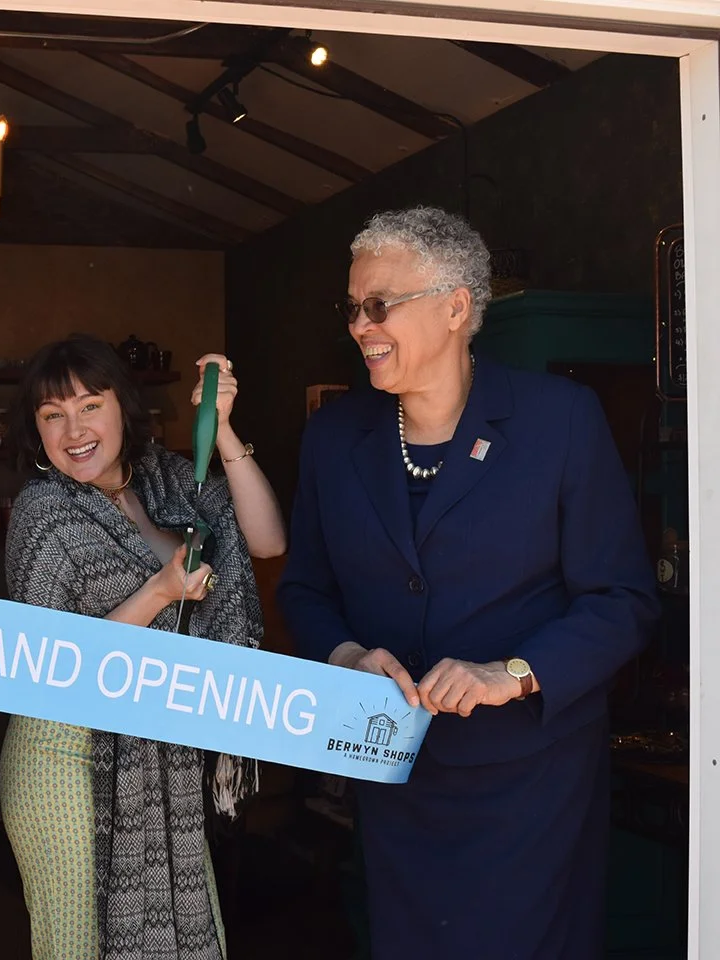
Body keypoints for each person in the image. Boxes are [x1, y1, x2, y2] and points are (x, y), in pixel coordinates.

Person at [278, 206, 659, 958]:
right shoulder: (334, 437)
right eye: (353, 308)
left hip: (531, 789)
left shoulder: (560, 421)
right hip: (395, 776)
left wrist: (512, 674)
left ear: (456, 307)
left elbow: (622, 600)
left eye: (379, 304)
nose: (360, 325)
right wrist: (347, 656)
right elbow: (305, 591)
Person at [0, 335, 286, 960]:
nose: (73, 429)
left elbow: (264, 540)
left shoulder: (170, 480)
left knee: (188, 935)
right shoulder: (41, 511)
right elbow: (49, 663)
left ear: (122, 408)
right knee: (76, 944)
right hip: (65, 757)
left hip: (163, 752)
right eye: (52, 415)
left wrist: (228, 431)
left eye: (89, 406)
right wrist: (161, 590)